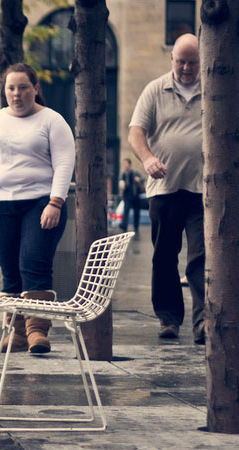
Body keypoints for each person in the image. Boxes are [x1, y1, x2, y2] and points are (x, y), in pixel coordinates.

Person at [0, 63, 75, 355]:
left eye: (23, 87)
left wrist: (56, 201)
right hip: (2, 204)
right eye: (11, 88)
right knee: (10, 272)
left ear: (35, 88)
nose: (17, 94)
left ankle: (37, 331)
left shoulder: (52, 121)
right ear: (4, 91)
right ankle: (15, 334)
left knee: (34, 264)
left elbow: (65, 162)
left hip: (42, 202)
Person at [128, 34, 204, 344]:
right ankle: (169, 318)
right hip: (164, 187)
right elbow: (135, 132)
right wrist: (147, 159)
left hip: (204, 191)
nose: (186, 67)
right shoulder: (155, 89)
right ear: (171, 58)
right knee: (164, 256)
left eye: (192, 62)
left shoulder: (215, 89)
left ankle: (204, 323)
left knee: (202, 258)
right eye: (181, 61)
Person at [118, 158, 144, 237]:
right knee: (126, 211)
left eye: (126, 164)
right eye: (124, 164)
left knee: (137, 212)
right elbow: (121, 183)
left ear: (129, 164)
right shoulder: (123, 174)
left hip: (135, 195)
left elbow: (143, 179)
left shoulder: (135, 172)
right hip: (127, 195)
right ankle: (124, 226)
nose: (125, 165)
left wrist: (138, 179)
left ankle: (136, 226)